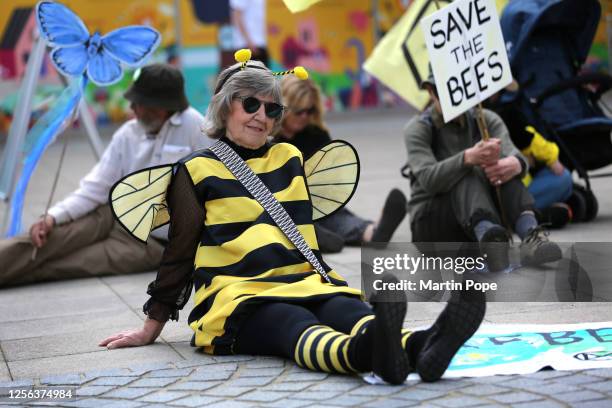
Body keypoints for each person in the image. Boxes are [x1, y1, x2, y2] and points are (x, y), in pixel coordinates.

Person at [99, 55, 486, 385]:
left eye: (273, 109)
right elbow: (180, 251)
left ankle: (423, 347)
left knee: (348, 310)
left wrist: (323, 277)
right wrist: (152, 326)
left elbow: (301, 232)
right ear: (224, 107)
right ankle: (368, 355)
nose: (262, 116)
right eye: (250, 104)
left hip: (304, 279)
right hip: (238, 295)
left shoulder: (289, 157)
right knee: (293, 323)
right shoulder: (195, 169)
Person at [0, 64, 212, 287]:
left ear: (159, 108)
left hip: (152, 242)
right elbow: (96, 187)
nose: (131, 108)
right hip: (111, 212)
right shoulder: (128, 133)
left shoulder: (197, 130)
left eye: (137, 103)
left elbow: (216, 191)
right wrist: (53, 216)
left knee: (66, 264)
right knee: (46, 237)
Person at [404, 71, 562, 270]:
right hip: (433, 222)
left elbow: (514, 153)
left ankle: (530, 235)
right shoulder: (418, 128)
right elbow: (429, 179)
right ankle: (490, 241)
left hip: (480, 218)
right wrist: (467, 158)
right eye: (443, 90)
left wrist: (516, 164)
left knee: (502, 169)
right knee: (465, 173)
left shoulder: (486, 119)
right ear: (431, 91)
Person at [273, 76, 408, 252]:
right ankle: (311, 233)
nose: (305, 116)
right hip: (281, 204)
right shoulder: (267, 138)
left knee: (335, 214)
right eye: (299, 111)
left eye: (310, 110)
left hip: (316, 200)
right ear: (285, 109)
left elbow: (329, 180)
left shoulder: (316, 134)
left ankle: (373, 232)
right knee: (296, 215)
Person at [488, 93, 573, 228]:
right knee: (564, 178)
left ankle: (533, 214)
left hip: (506, 189)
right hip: (510, 192)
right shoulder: (506, 113)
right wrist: (552, 158)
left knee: (555, 177)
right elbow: (531, 139)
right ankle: (529, 216)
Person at [230, 0, 268, 66]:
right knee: (248, 75)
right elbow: (236, 16)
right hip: (248, 45)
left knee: (263, 75)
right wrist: (248, 41)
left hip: (262, 43)